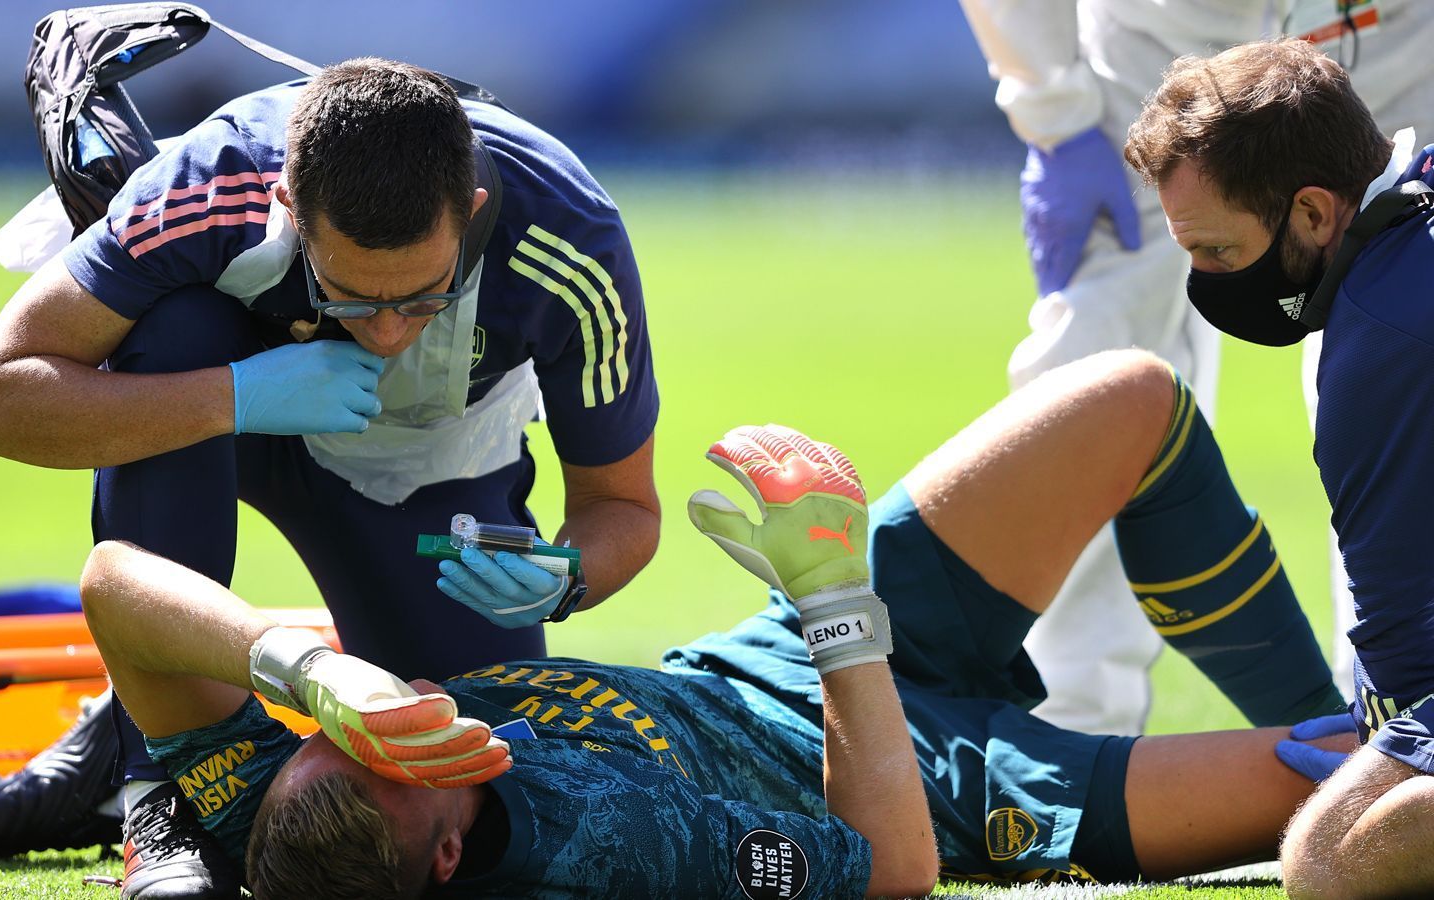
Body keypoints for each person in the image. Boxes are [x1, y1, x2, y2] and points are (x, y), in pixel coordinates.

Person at [77, 349, 1353, 898]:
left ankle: (1365, 703)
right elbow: (892, 869)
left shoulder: (282, 823)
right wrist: (839, 606)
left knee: (1131, 396)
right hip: (927, 779)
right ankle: (1377, 726)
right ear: (456, 857)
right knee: (1355, 799)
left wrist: (306, 670)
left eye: (355, 734)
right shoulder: (596, 848)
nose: (406, 721)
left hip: (761, 657)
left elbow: (117, 585)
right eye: (413, 759)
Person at [0, 57, 660, 896]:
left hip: (425, 475)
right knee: (174, 326)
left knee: (454, 783)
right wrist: (234, 394)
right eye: (350, 295)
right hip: (216, 422)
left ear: (473, 212)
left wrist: (566, 580)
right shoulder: (210, 181)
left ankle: (135, 716)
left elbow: (623, 509)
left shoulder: (571, 238)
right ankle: (154, 793)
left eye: (425, 296)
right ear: (284, 203)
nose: (386, 334)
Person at [955, 0, 1434, 737]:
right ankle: (1072, 728)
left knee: (1396, 360)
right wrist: (1051, 107)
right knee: (1093, 362)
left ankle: (1389, 709)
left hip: (1404, 42)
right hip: (1160, 47)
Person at [1120, 38, 1434, 895]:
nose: (1206, 281)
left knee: (1328, 860)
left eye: (1218, 252)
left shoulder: (1382, 340)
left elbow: (1410, 650)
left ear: (1312, 214)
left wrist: (1386, 742)